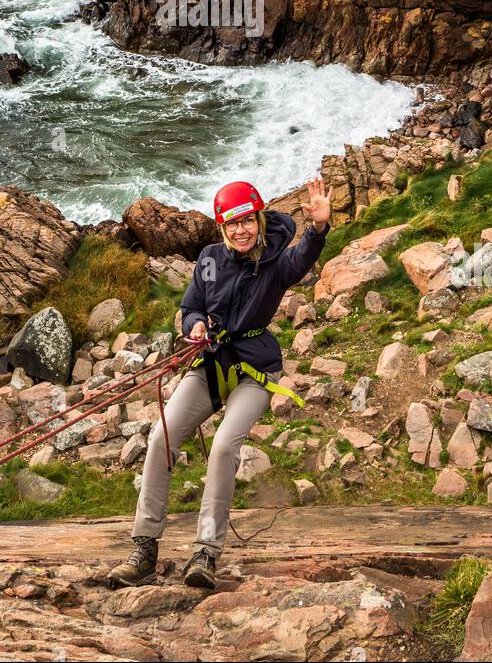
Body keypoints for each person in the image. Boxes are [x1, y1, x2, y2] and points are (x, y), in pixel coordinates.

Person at [107, 175, 330, 591]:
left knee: (226, 445)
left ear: (259, 220)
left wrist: (318, 228)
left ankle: (206, 552)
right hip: (209, 363)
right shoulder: (209, 258)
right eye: (232, 224)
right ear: (222, 228)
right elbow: (191, 305)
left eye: (247, 220)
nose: (241, 230)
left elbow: (301, 260)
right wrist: (194, 327)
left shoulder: (275, 262)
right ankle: (144, 548)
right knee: (161, 437)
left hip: (254, 369)